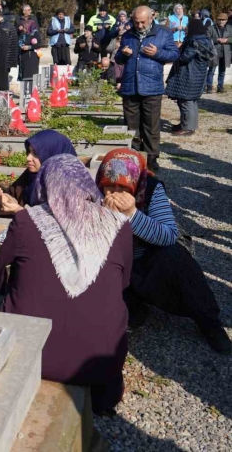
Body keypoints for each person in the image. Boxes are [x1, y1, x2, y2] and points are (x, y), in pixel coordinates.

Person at [0, 154, 133, 414]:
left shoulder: (26, 221)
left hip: (29, 358)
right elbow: (123, 284)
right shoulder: (119, 226)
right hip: (99, 365)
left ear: (44, 186)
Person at [96, 149, 231, 354]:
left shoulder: (150, 189)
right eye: (109, 187)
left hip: (153, 255)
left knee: (175, 256)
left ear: (134, 184)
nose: (114, 193)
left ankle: (210, 322)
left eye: (123, 188)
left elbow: (167, 235)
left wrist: (131, 214)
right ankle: (136, 311)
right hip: (122, 262)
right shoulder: (94, 194)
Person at [114, 5, 179, 172]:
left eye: (142, 22)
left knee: (151, 126)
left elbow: (174, 55)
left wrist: (157, 53)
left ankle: (151, 158)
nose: (139, 25)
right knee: (131, 126)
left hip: (152, 87)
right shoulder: (128, 34)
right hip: (130, 86)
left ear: (152, 17)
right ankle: (134, 156)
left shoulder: (163, 33)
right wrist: (123, 54)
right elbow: (118, 58)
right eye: (136, 22)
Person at [0, 130, 76, 216]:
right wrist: (5, 198)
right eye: (29, 151)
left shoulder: (69, 185)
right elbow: (14, 193)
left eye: (35, 153)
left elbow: (59, 222)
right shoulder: (32, 175)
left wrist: (20, 211)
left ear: (52, 155)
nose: (28, 157)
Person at [165, 19, 214, 136]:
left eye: (188, 26)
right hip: (197, 74)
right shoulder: (205, 39)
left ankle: (187, 128)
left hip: (189, 74)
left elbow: (185, 57)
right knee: (191, 101)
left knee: (186, 101)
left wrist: (176, 52)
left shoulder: (194, 41)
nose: (186, 28)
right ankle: (187, 124)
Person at [207, 13, 232, 94]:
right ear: (217, 20)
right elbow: (207, 39)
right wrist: (216, 40)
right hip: (214, 52)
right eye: (219, 20)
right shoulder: (211, 28)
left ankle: (220, 86)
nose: (221, 21)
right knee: (211, 70)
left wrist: (227, 40)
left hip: (225, 52)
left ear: (226, 20)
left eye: (223, 20)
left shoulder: (230, 28)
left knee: (222, 71)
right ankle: (209, 86)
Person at [17, 16, 41, 81]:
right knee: (24, 76)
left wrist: (29, 47)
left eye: (24, 26)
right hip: (23, 57)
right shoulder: (23, 33)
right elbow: (20, 42)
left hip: (32, 57)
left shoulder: (35, 33)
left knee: (31, 76)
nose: (23, 28)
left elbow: (39, 44)